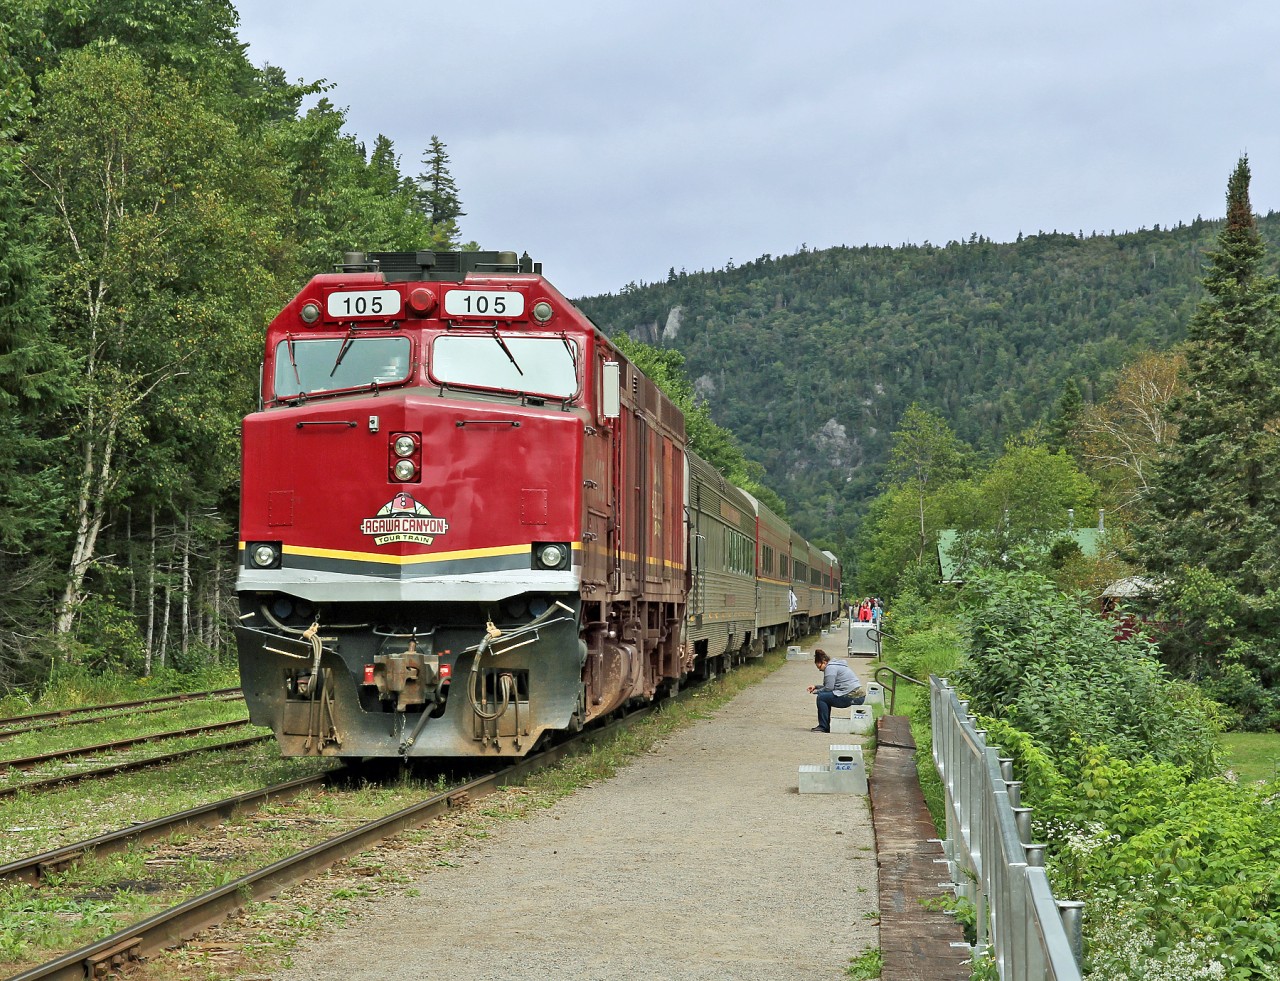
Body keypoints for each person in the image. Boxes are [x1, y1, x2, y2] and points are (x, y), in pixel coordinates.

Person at [807, 648, 864, 732]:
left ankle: (823, 726)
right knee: (825, 696)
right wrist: (816, 686)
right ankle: (825, 725)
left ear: (824, 662)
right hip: (858, 694)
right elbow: (830, 686)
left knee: (822, 697)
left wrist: (817, 692)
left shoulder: (830, 668)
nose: (820, 670)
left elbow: (829, 688)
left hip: (852, 696)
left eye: (819, 666)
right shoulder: (836, 665)